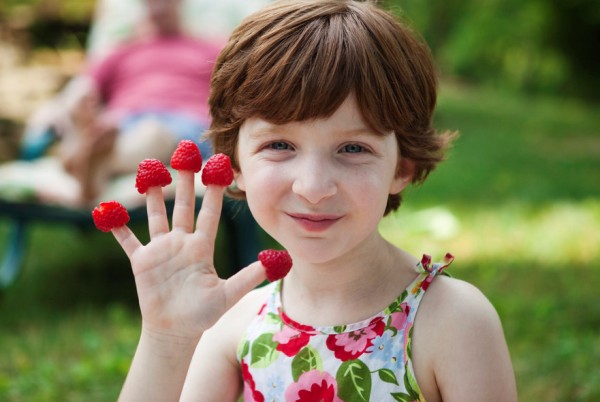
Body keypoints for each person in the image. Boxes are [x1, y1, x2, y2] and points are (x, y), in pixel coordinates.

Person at [109, 1, 518, 400]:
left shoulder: (453, 322)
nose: (313, 186)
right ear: (234, 164)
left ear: (402, 167)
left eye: (353, 149)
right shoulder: (235, 325)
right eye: (280, 144)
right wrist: (167, 338)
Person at [57, 0, 222, 205]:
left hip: (184, 122)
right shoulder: (120, 51)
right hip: (120, 123)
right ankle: (93, 157)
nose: (158, 7)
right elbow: (82, 88)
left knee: (152, 132)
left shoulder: (212, 48)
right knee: (86, 108)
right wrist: (76, 104)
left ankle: (88, 160)